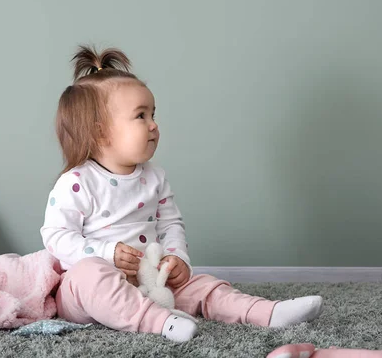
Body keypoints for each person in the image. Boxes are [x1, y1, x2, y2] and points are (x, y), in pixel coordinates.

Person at [40, 45, 323, 342]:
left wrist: (177, 258)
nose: (154, 125)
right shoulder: (77, 182)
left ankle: (267, 312)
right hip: (87, 295)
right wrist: (105, 253)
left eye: (153, 113)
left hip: (151, 281)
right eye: (140, 116)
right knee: (89, 275)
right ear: (100, 132)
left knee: (204, 286)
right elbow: (56, 237)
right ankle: (160, 322)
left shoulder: (154, 177)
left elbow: (170, 224)